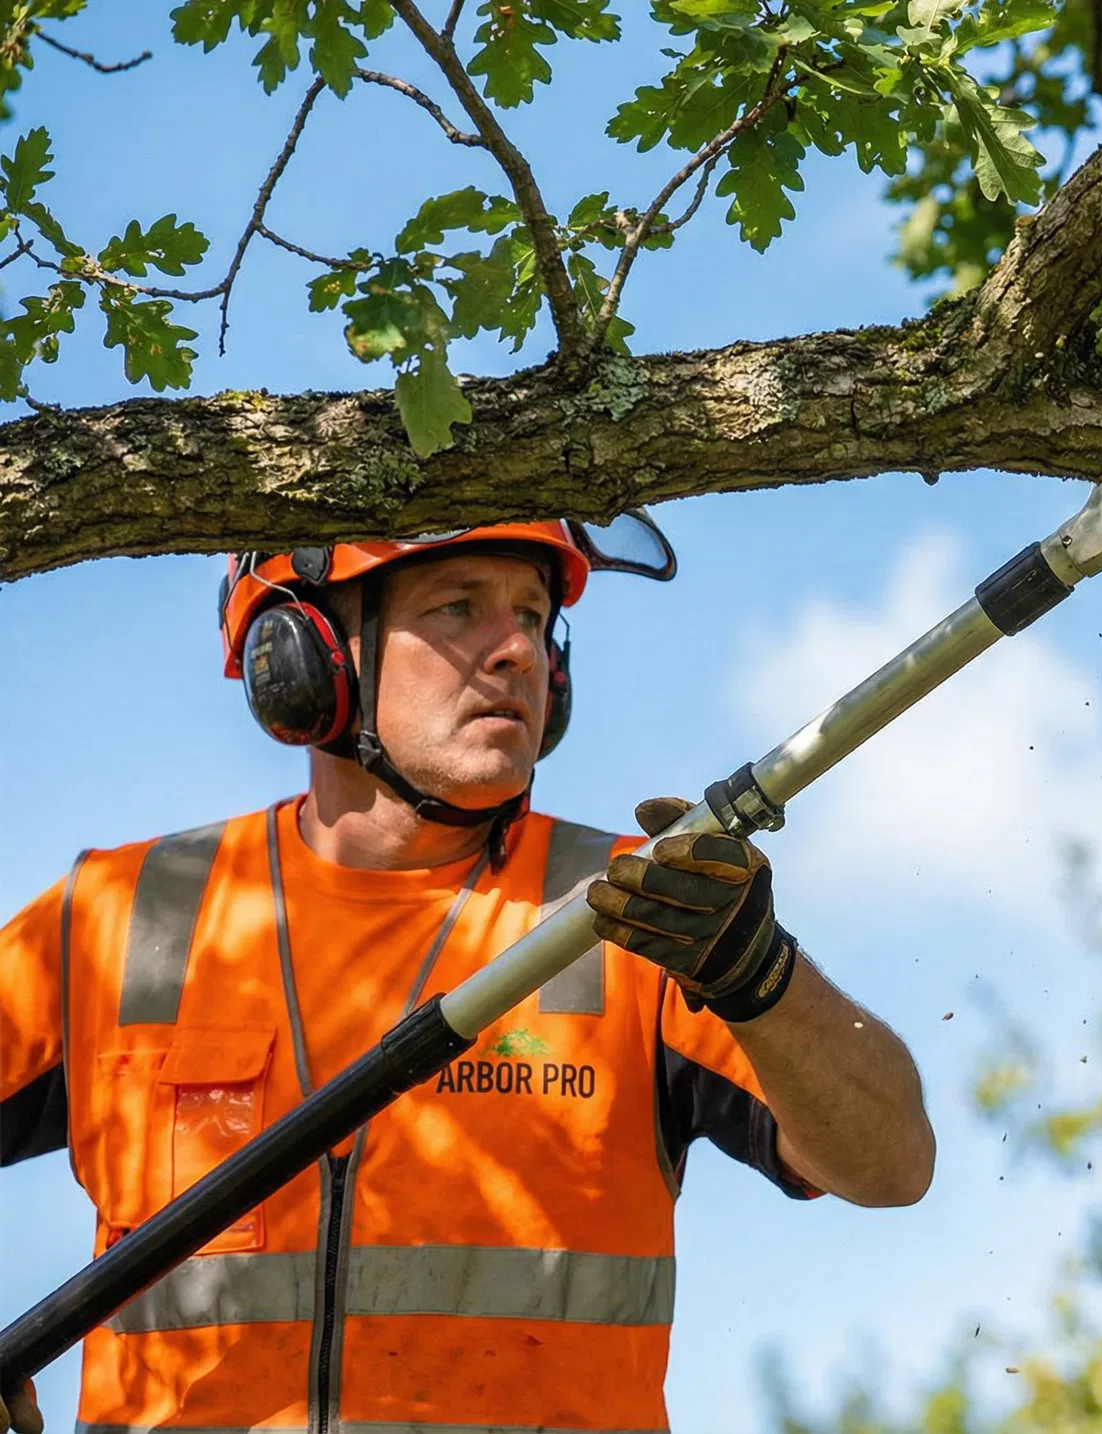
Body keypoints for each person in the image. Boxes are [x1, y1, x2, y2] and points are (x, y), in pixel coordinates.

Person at [0, 518, 935, 1434]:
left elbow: (891, 1164)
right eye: (458, 607)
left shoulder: (631, 907)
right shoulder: (125, 917)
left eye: (532, 615)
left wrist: (756, 971)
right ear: (308, 656)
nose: (518, 651)